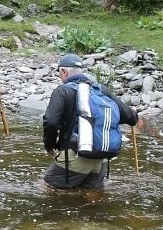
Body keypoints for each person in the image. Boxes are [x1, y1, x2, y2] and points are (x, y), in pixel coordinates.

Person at [42, 53, 146, 189]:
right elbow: (129, 117)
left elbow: (51, 121)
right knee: (91, 197)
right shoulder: (101, 90)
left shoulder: (63, 91)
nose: (60, 76)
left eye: (59, 72)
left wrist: (49, 145)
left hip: (74, 157)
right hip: (100, 161)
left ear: (64, 71)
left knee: (46, 188)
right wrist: (136, 119)